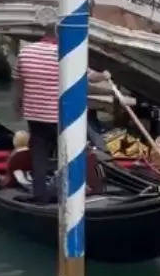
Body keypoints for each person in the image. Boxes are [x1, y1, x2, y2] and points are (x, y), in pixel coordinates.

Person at [13, 24, 110, 203]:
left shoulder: (25, 53)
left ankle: (40, 194)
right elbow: (90, 76)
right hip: (62, 116)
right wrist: (104, 74)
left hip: (35, 114)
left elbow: (19, 84)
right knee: (71, 153)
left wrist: (18, 107)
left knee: (39, 154)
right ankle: (72, 193)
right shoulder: (68, 55)